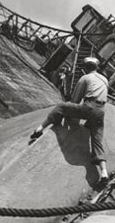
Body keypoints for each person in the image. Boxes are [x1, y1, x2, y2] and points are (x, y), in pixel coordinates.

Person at [31, 57, 109, 187]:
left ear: (86, 68)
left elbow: (75, 100)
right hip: (101, 111)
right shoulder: (105, 80)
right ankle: (104, 172)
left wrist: (69, 115)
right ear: (96, 67)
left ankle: (39, 128)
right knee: (97, 140)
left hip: (89, 107)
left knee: (62, 107)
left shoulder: (85, 78)